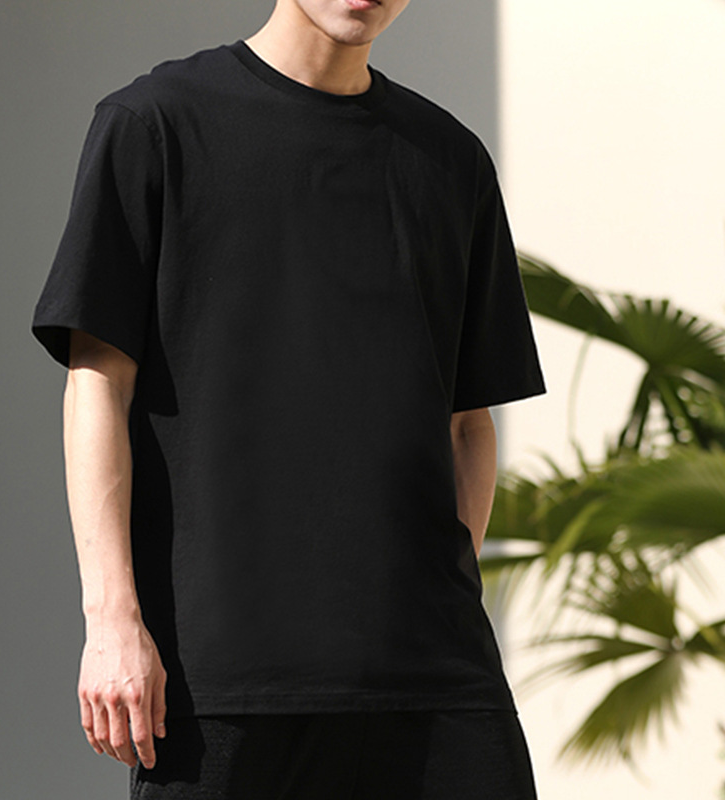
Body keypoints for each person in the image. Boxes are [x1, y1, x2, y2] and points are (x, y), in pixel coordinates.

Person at [32, 1, 546, 797]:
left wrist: (436, 595)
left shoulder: (449, 160)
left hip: (435, 683)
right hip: (222, 684)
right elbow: (98, 381)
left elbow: (468, 421)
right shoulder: (155, 124)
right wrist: (111, 622)